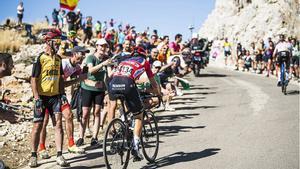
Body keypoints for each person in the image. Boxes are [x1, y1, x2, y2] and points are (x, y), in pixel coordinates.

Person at [107, 47, 162, 161]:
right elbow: (153, 83)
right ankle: (136, 147)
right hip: (127, 83)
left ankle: (123, 124)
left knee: (125, 107)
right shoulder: (145, 62)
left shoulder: (124, 61)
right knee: (139, 115)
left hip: (112, 84)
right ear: (143, 56)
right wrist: (158, 94)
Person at [38, 46, 89, 159]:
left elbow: (85, 75)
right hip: (49, 93)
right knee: (45, 121)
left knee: (69, 116)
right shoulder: (63, 63)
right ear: (74, 54)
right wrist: (78, 80)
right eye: (82, 54)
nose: (83, 56)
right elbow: (61, 83)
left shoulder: (77, 67)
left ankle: (71, 144)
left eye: (85, 54)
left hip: (60, 94)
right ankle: (41, 147)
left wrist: (87, 73)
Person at [28, 29, 68, 167]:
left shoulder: (58, 58)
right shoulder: (40, 57)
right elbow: (33, 79)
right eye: (57, 41)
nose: (59, 43)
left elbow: (61, 78)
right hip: (42, 97)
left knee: (58, 125)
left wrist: (62, 93)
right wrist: (36, 97)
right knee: (38, 126)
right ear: (48, 41)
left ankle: (59, 155)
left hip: (55, 97)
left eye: (60, 41)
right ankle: (34, 155)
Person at [76, 38, 112, 147]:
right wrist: (103, 64)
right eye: (101, 45)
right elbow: (90, 70)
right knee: (85, 113)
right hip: (87, 87)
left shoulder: (107, 59)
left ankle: (94, 137)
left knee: (97, 112)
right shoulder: (91, 57)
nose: (103, 48)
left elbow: (109, 75)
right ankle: (81, 137)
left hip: (100, 89)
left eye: (105, 46)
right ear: (97, 46)